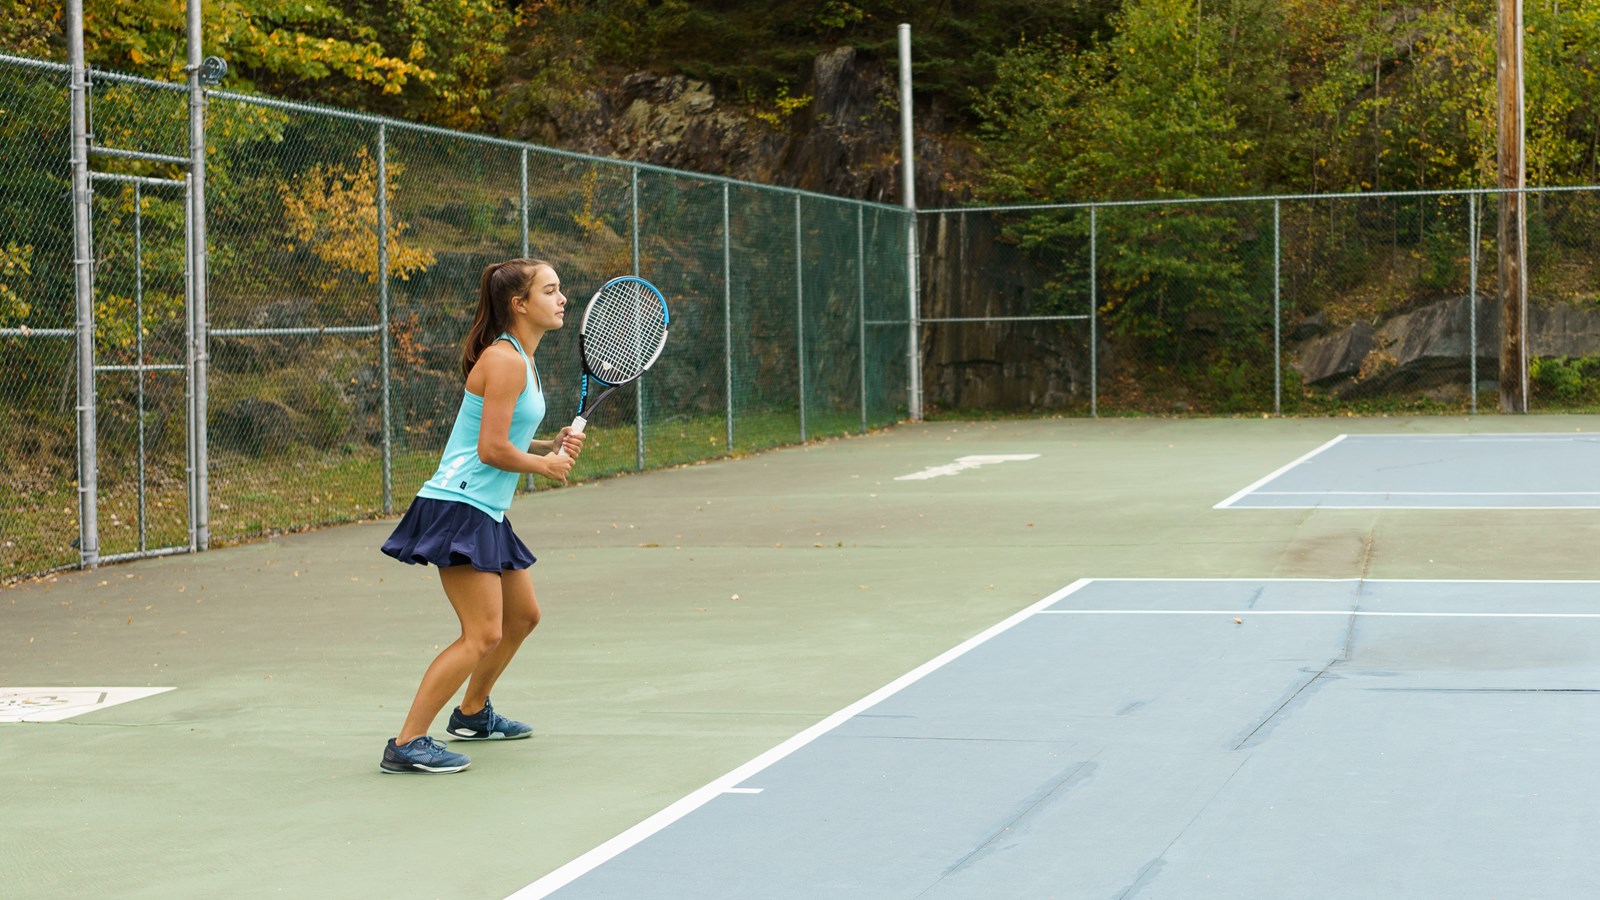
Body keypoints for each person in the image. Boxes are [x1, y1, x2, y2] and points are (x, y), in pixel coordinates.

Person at [377, 257, 583, 774]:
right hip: (458, 506)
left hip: (482, 508)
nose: (562, 299)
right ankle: (406, 742)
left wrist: (545, 444)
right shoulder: (506, 360)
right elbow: (490, 449)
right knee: (483, 633)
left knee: (522, 617)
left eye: (559, 290)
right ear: (520, 304)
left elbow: (496, 434)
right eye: (550, 291)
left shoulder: (521, 358)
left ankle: (471, 713)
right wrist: (544, 465)